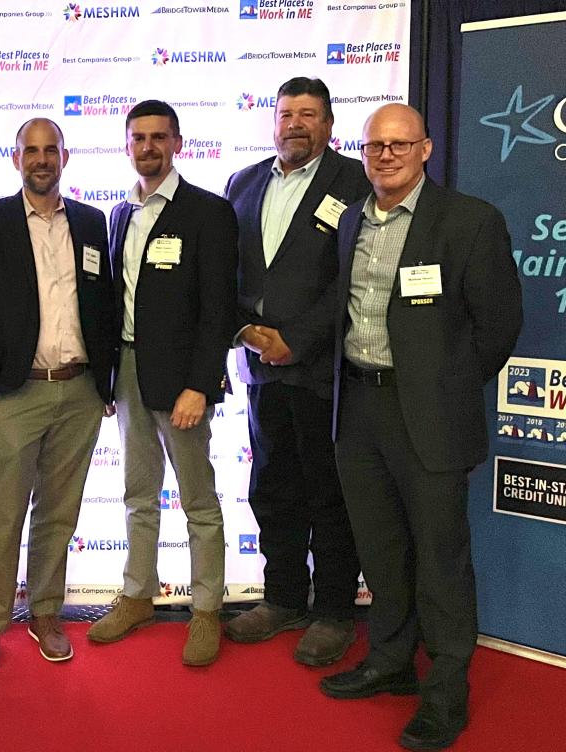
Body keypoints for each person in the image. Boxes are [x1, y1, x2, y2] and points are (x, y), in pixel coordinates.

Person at [319, 104, 522, 751]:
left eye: (399, 144)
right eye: (375, 146)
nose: (386, 155)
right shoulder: (350, 219)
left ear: (426, 149)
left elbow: (499, 326)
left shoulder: (469, 221)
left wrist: (445, 386)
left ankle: (446, 693)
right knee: (381, 550)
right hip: (359, 409)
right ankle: (391, 661)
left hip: (431, 416)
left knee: (440, 559)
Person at [86, 100, 238, 666]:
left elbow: (218, 308)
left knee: (198, 499)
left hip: (182, 381)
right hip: (127, 372)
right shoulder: (119, 214)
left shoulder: (207, 212)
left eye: (158, 137)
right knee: (138, 493)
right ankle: (137, 595)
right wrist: (106, 379)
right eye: (138, 138)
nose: (148, 147)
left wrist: (200, 384)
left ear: (177, 142)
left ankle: (206, 610)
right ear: (127, 145)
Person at [223, 77, 369, 666]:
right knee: (273, 489)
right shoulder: (243, 183)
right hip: (261, 369)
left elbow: (354, 277)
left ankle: (333, 610)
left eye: (309, 115)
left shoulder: (355, 182)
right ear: (274, 122)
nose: (296, 125)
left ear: (329, 125)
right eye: (287, 114)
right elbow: (224, 272)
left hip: (323, 372)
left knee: (328, 493)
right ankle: (282, 598)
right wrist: (245, 330)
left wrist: (297, 341)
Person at [0, 118, 114, 671]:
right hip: (14, 393)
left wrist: (106, 382)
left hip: (80, 390)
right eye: (32, 150)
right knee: (2, 514)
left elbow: (104, 302)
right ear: (16, 158)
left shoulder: (93, 222)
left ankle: (46, 613)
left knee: (58, 514)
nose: (42, 159)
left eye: (51, 150)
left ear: (65, 158)